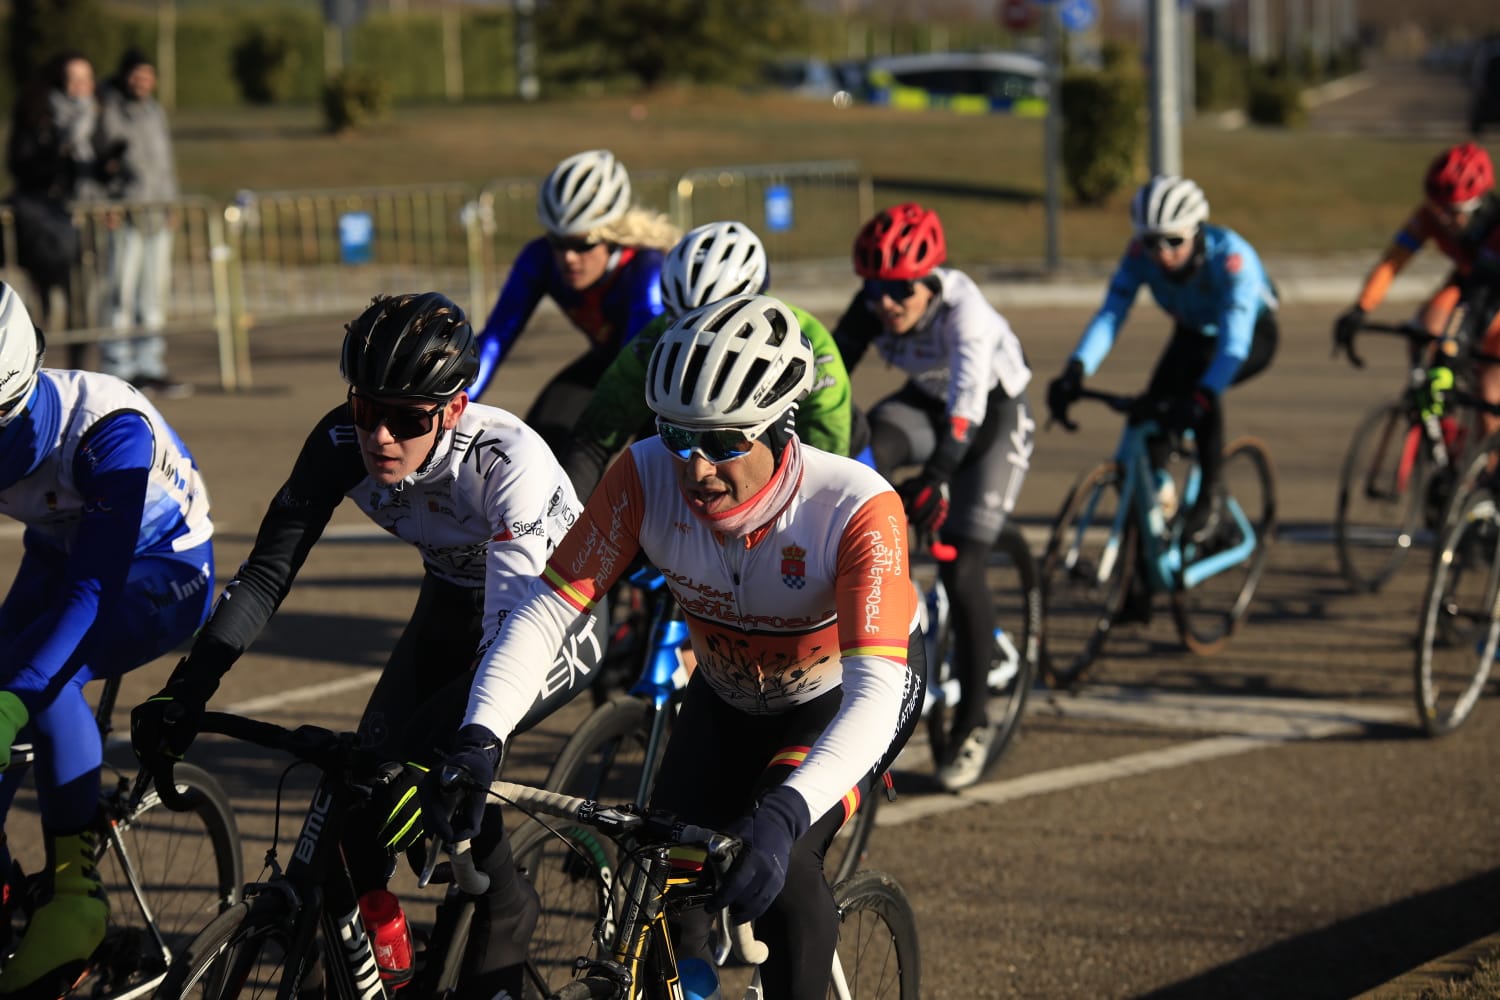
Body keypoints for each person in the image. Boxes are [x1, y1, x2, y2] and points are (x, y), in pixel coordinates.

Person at [425, 294, 923, 1000]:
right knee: (663, 880)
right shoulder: (643, 474)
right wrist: (481, 734)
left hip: (841, 696)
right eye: (677, 435)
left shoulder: (853, 506)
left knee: (786, 879)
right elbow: (545, 611)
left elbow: (874, 695)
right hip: (726, 693)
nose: (695, 468)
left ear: (781, 427)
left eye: (723, 442)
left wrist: (785, 814)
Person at [130, 292, 606, 999]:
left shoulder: (510, 468)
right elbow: (265, 575)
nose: (380, 436)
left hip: (544, 623)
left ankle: (503, 899)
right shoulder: (338, 444)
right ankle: (383, 967)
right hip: (446, 608)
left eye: (406, 419)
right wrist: (188, 686)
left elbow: (511, 633)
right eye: (365, 409)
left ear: (453, 407)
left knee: (430, 769)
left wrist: (463, 747)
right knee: (358, 807)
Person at [0, 281, 213, 998]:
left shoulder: (106, 429)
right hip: (58, 548)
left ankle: (73, 892)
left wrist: (10, 704)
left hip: (160, 570)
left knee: (39, 679)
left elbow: (91, 597)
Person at [834, 201, 1035, 792]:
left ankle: (974, 720)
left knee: (964, 564)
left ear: (928, 283)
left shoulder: (965, 314)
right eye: (875, 290)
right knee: (860, 444)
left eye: (899, 290)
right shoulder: (873, 304)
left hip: (991, 415)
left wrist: (939, 477)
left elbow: (967, 409)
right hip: (924, 401)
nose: (886, 303)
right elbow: (827, 375)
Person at [1047, 175, 1279, 549]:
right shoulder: (1140, 257)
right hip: (1191, 332)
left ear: (1198, 231)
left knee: (1200, 393)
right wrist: (1076, 368)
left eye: (1174, 241)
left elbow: (1233, 343)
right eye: (1151, 242)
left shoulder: (1232, 260)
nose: (1162, 253)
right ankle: (1144, 566)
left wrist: (1202, 396)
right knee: (1148, 420)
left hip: (1248, 335)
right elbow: (1111, 314)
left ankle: (1210, 498)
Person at [560, 219, 855, 499]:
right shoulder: (657, 337)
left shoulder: (810, 339)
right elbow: (594, 438)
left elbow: (826, 455)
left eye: (717, 327)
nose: (697, 341)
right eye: (684, 324)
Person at [468, 149, 679, 456]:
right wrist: (450, 404)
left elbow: (637, 366)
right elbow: (496, 337)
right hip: (606, 360)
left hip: (657, 372)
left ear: (611, 236)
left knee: (647, 451)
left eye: (582, 244)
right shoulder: (539, 258)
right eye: (558, 242)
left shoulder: (646, 268)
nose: (568, 257)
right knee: (538, 440)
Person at [1333, 142, 1500, 438]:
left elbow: (1480, 301)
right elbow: (1393, 261)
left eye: (1452, 212)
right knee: (1425, 329)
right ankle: (1442, 433)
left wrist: (1453, 347)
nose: (1442, 220)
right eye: (1436, 208)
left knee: (1489, 391)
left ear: (1478, 204)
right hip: (1466, 283)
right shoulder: (1429, 217)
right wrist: (1361, 308)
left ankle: (1489, 467)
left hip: (1493, 294)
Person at [5, 51, 113, 370]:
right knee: (40, 307)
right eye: (74, 79)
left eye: (87, 79)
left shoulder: (96, 117)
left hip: (84, 221)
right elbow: (21, 166)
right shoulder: (37, 113)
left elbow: (99, 171)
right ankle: (27, 371)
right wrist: (59, 149)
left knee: (82, 305)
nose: (82, 86)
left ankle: (77, 370)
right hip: (45, 225)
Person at [98, 46, 187, 398]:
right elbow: (103, 160)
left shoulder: (154, 112)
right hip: (125, 214)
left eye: (148, 74)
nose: (142, 80)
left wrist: (172, 201)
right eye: (137, 73)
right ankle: (118, 364)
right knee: (121, 292)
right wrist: (107, 202)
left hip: (156, 213)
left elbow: (165, 163)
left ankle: (150, 363)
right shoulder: (110, 109)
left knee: (153, 294)